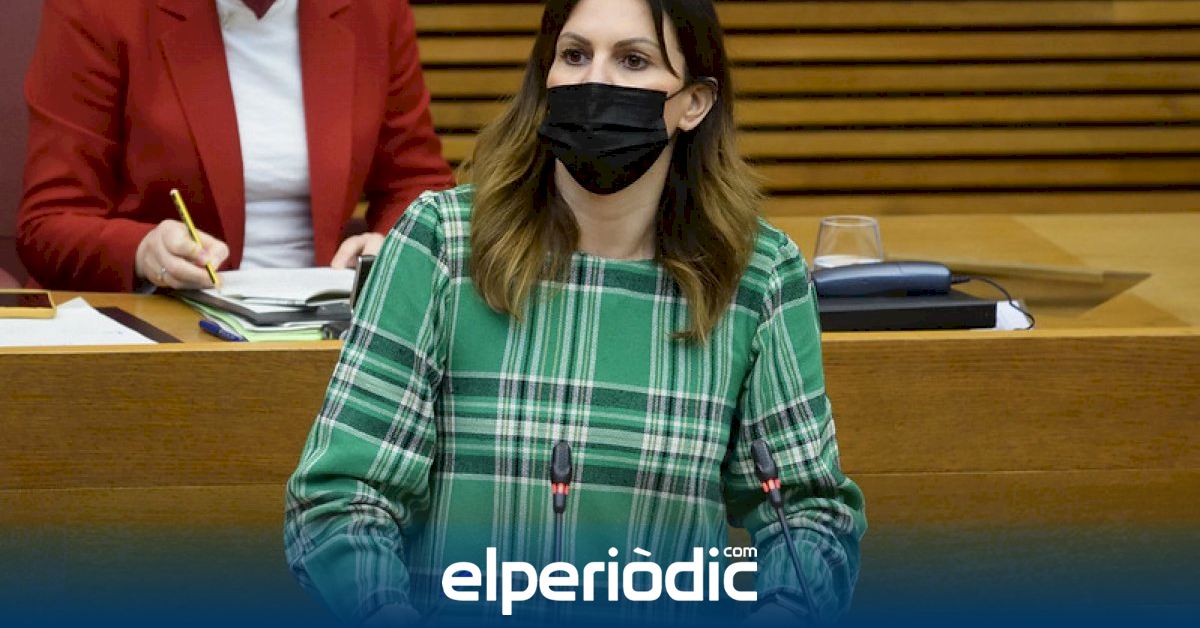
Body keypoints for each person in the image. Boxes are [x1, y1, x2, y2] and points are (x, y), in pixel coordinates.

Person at [285, 0, 865, 625]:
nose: (595, 81)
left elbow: (809, 516)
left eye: (634, 60)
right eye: (575, 55)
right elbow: (342, 498)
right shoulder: (441, 242)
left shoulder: (758, 274)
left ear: (694, 103)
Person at [16, 0, 453, 291]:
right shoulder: (101, 9)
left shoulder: (373, 10)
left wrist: (390, 245)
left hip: (327, 330)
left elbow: (417, 183)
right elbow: (50, 221)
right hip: (161, 325)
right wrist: (143, 250)